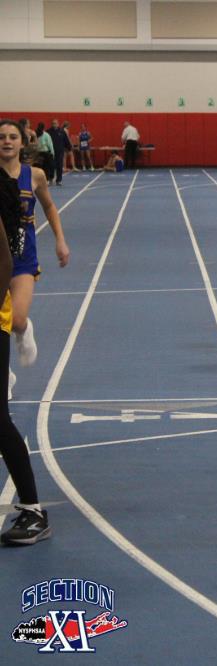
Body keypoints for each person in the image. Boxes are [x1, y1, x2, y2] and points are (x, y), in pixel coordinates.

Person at [0, 120, 51, 545]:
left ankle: (33, 509)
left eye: (11, 136)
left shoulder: (26, 182)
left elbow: (5, 260)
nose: (6, 142)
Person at [2, 119, 70, 400]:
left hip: (22, 259)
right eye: (1, 137)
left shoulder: (35, 176)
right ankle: (5, 377)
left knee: (16, 320)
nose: (6, 141)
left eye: (12, 136)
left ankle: (25, 328)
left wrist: (60, 240)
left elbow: (49, 206)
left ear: (22, 142)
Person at [47, 119, 66, 185]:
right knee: (51, 166)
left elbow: (66, 140)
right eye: (53, 123)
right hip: (51, 152)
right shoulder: (48, 132)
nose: (54, 124)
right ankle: (51, 179)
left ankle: (59, 180)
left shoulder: (62, 131)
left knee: (59, 166)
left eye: (55, 123)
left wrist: (69, 147)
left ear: (58, 124)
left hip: (60, 152)